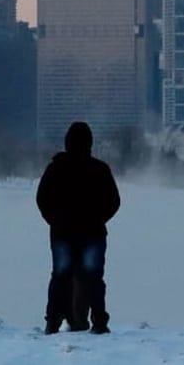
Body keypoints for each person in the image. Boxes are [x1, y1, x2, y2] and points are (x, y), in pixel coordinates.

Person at [35, 121, 121, 335]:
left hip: (62, 234)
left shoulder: (55, 168)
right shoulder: (100, 169)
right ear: (90, 143)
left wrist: (55, 220)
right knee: (94, 278)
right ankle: (99, 322)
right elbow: (114, 201)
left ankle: (52, 322)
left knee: (60, 276)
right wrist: (99, 219)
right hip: (93, 233)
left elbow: (42, 199)